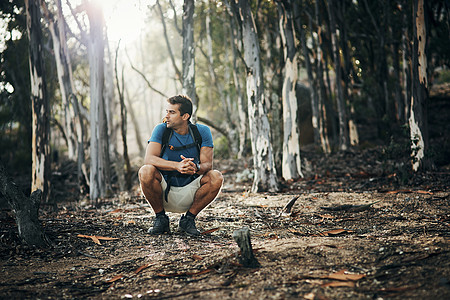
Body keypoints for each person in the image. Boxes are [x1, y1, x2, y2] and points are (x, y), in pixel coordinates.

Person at [138, 95, 223, 236]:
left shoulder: (202, 132)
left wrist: (196, 168)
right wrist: (177, 166)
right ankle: (161, 219)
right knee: (146, 171)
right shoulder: (161, 129)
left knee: (216, 177)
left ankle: (188, 220)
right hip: (164, 191)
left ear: (185, 116)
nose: (166, 116)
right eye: (167, 111)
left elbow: (207, 164)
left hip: (191, 192)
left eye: (172, 112)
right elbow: (149, 159)